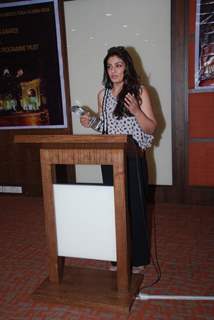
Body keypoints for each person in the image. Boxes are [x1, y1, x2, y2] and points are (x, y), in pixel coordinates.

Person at [80, 46, 157, 273]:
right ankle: (117, 256)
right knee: (112, 209)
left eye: (118, 65)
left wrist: (137, 112)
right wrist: (91, 123)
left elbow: (151, 128)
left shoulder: (139, 91)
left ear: (127, 67)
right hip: (109, 157)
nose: (113, 71)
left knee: (134, 208)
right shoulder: (102, 95)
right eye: (109, 66)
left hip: (133, 158)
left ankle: (138, 258)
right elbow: (107, 128)